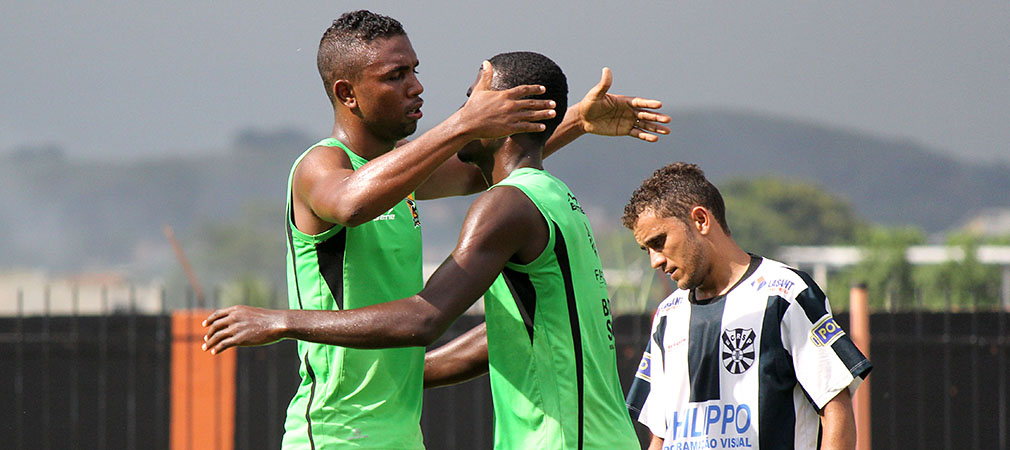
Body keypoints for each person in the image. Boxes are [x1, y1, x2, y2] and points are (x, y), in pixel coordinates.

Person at [204, 9, 669, 450]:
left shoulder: (402, 173)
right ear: (347, 94)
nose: (417, 86)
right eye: (395, 76)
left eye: (414, 70)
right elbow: (351, 203)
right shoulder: (320, 166)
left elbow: (481, 166)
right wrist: (464, 123)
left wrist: (572, 121)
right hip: (335, 431)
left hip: (404, 433)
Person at [621, 162, 872, 450]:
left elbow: (836, 411)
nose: (655, 260)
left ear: (700, 220)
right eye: (647, 250)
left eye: (659, 242)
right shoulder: (668, 315)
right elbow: (661, 435)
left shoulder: (783, 293)